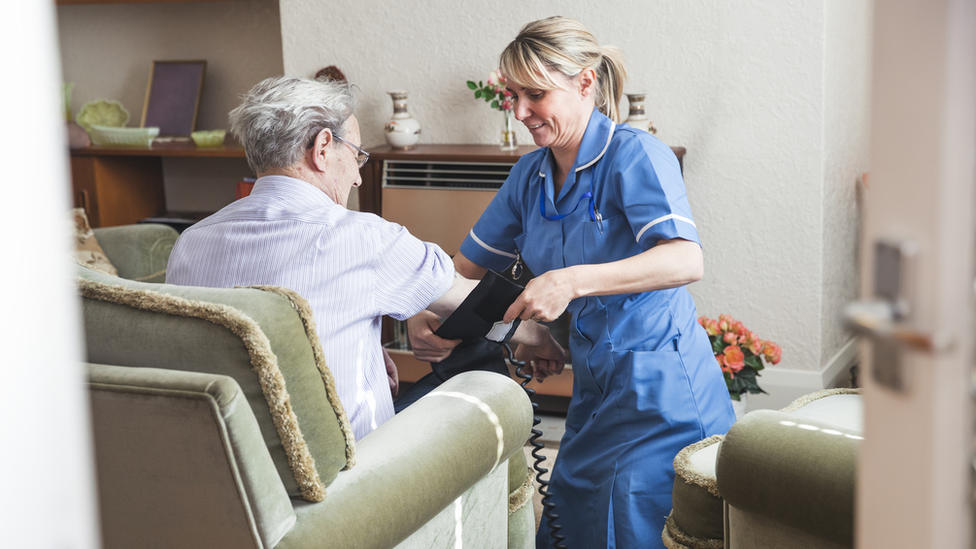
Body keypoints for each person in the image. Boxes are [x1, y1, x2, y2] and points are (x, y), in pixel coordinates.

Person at [410, 17, 735, 548]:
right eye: (513, 95)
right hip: (593, 383)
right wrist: (425, 308)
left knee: (633, 525)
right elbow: (462, 268)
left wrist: (570, 281)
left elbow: (684, 259)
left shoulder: (636, 155)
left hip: (659, 386)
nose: (519, 112)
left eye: (535, 94)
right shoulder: (530, 174)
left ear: (586, 83)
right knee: (570, 520)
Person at [166, 75, 565, 441]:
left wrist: (371, 350)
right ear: (323, 148)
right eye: (356, 156)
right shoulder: (364, 237)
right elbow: (477, 304)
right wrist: (541, 339)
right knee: (476, 356)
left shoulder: (190, 242)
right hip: (350, 479)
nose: (358, 177)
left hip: (230, 459)